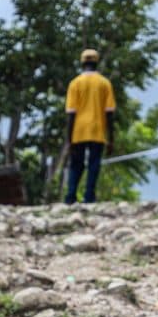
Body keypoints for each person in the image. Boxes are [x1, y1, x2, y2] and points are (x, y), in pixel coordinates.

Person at [64, 48, 116, 204]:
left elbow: (71, 113)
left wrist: (69, 138)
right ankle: (89, 196)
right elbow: (109, 113)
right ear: (96, 62)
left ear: (82, 63)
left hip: (78, 130)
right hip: (97, 129)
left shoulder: (75, 83)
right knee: (94, 165)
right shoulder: (104, 83)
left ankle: (71, 196)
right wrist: (111, 137)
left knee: (76, 165)